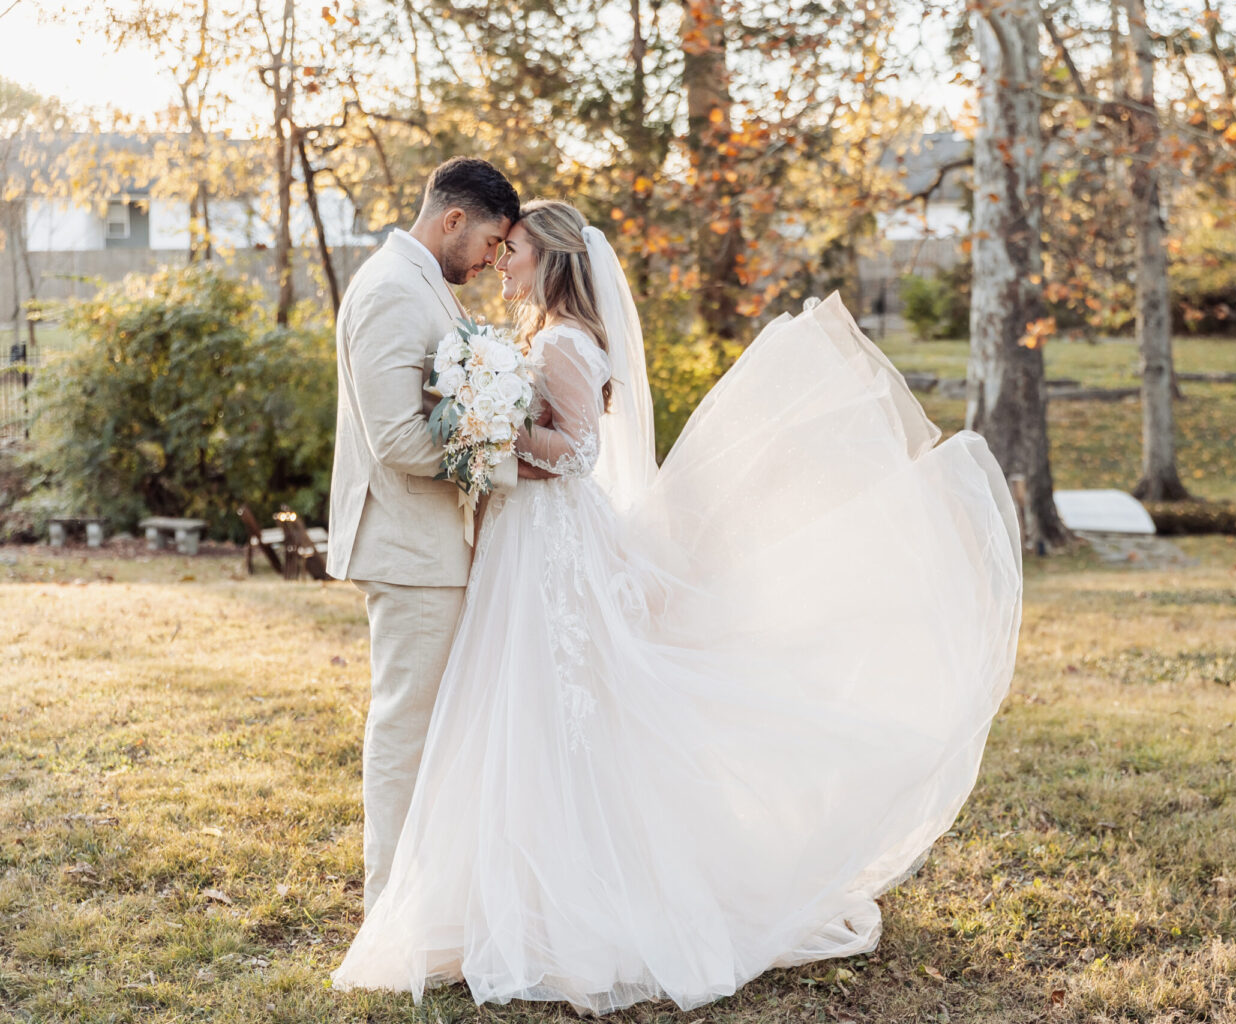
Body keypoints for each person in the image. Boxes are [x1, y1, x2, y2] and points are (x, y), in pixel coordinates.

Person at [331, 199, 1024, 1014]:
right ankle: (479, 893)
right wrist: (494, 423)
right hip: (524, 542)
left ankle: (545, 902)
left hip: (545, 541)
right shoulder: (523, 331)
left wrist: (495, 433)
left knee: (557, 716)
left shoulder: (557, 341)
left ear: (549, 259)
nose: (500, 264)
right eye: (498, 246)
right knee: (520, 716)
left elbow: (579, 453)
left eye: (511, 250)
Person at [325, 157, 525, 913]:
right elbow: (399, 442)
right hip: (408, 549)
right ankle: (391, 913)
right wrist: (505, 456)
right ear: (453, 221)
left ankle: (429, 899)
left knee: (434, 726)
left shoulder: (425, 286)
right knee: (406, 729)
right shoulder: (388, 291)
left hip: (435, 544)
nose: (493, 261)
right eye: (491, 244)